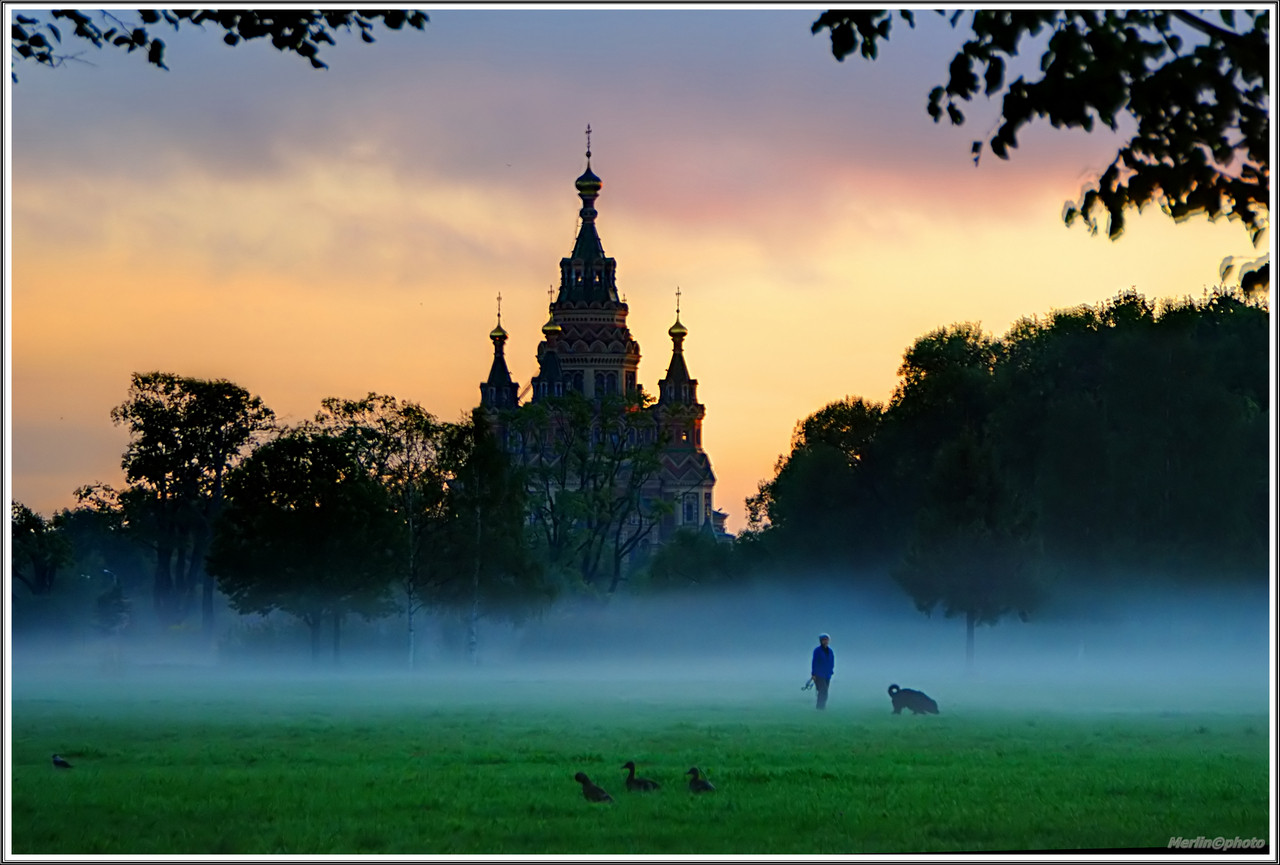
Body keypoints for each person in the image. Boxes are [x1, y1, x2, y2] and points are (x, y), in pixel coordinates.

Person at [809, 633, 834, 710]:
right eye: (823, 640)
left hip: (827, 675)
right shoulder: (817, 651)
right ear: (821, 641)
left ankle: (822, 707)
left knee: (824, 692)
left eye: (826, 640)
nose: (825, 641)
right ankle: (820, 707)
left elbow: (832, 662)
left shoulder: (830, 651)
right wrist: (813, 674)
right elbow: (815, 662)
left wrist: (831, 671)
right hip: (819, 675)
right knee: (823, 691)